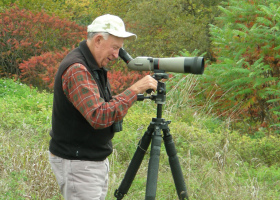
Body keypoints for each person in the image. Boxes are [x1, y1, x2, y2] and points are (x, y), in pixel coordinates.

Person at [48, 14, 157, 200]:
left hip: (88, 160)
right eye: (115, 48)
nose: (116, 55)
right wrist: (135, 89)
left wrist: (130, 96)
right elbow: (99, 115)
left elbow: (100, 104)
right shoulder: (77, 69)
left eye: (120, 49)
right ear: (98, 40)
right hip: (79, 163)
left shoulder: (92, 65)